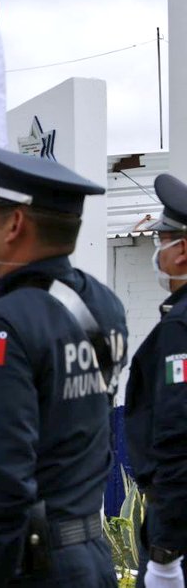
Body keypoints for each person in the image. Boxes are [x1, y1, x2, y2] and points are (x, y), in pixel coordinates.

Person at [0, 143, 127, 587]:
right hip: (89, 555)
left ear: (15, 224)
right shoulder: (104, 305)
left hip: (27, 565)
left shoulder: (3, 324)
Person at [124, 173, 187, 588]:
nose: (158, 251)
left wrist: (164, 549)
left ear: (181, 251)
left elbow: (178, 435)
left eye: (161, 241)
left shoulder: (179, 328)